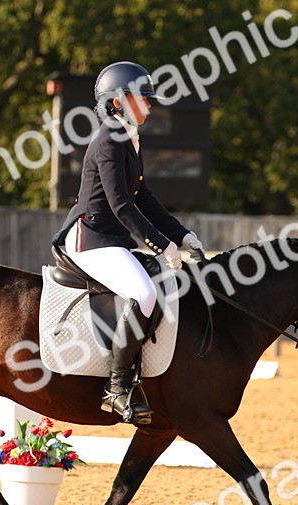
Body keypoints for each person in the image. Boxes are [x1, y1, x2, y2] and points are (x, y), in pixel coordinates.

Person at [51, 61, 203, 425]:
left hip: (112, 238)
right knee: (145, 294)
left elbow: (143, 196)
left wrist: (182, 235)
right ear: (117, 102)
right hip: (92, 238)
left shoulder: (128, 137)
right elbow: (120, 204)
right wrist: (161, 245)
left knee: (157, 287)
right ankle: (116, 389)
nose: (149, 106)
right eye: (142, 99)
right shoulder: (108, 140)